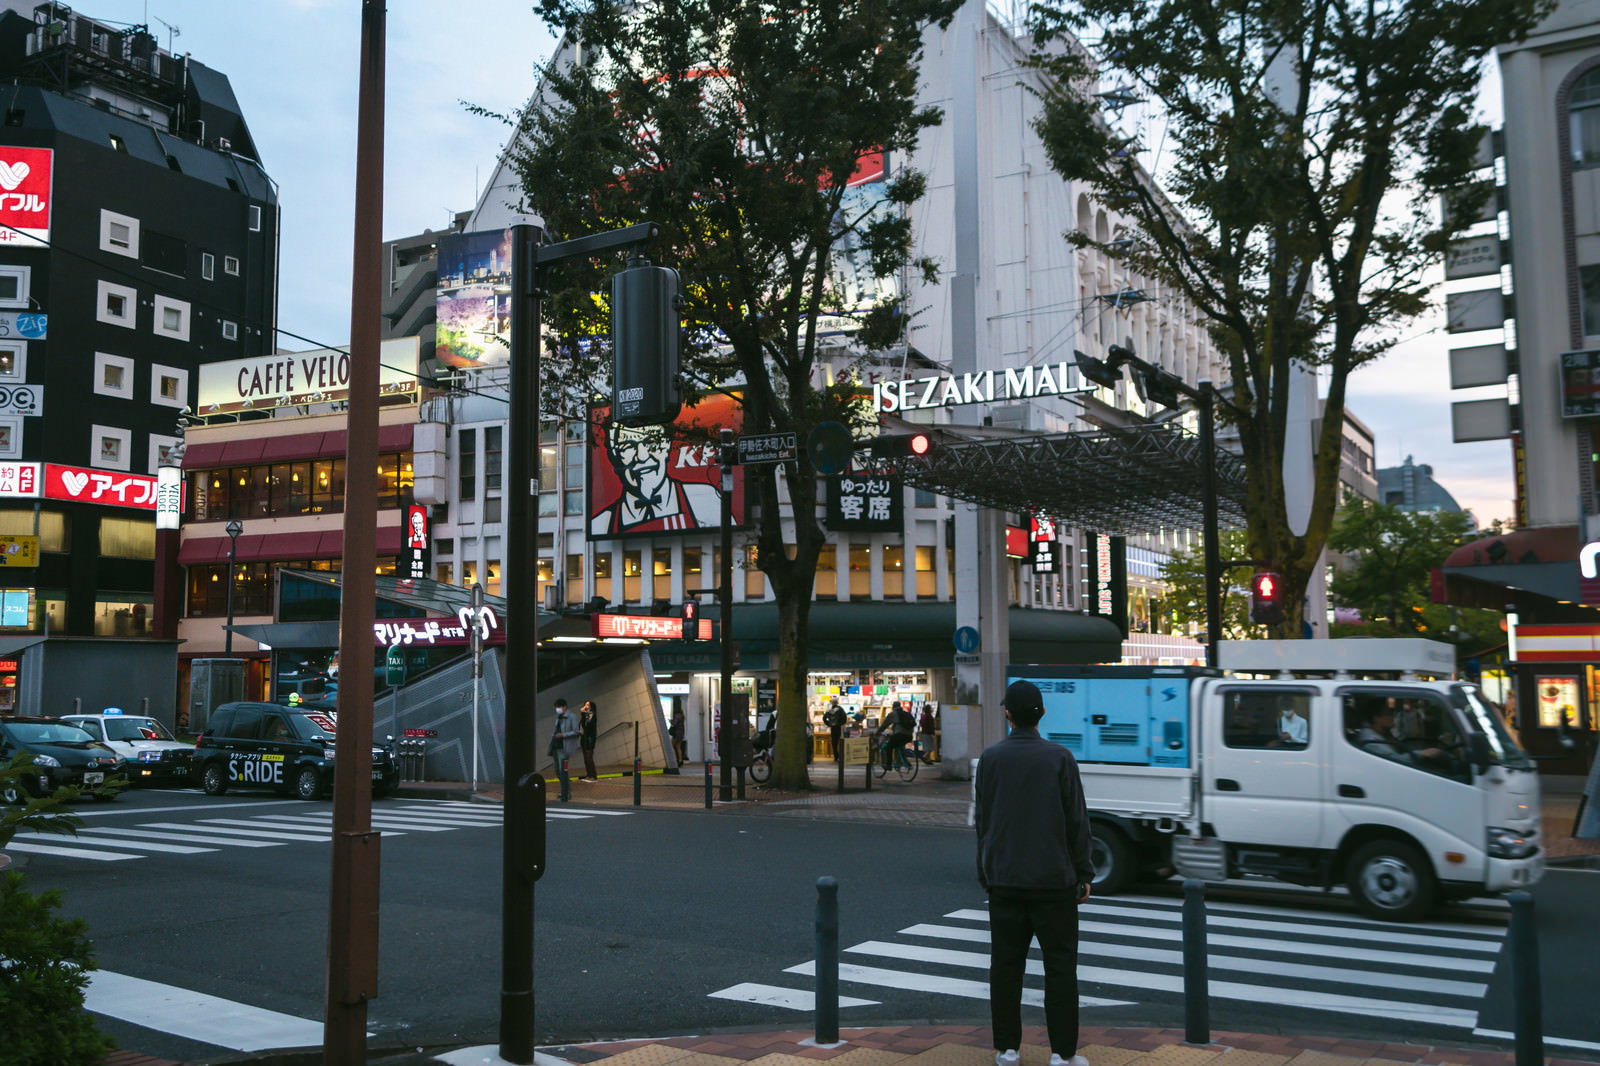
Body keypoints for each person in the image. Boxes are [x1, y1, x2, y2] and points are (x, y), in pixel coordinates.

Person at [976, 680, 1093, 1066]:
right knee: (1060, 968)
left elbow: (984, 822)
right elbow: (1076, 821)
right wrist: (1083, 872)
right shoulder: (1059, 758)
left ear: (1007, 714)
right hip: (1054, 882)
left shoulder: (990, 759)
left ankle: (1007, 1049)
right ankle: (1062, 1053)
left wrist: (986, 872)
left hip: (1005, 881)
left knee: (1006, 967)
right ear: (1041, 713)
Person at [590, 422, 720, 535]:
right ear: (615, 456)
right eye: (628, 446)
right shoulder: (600, 525)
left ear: (667, 445)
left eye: (652, 442)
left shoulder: (705, 499)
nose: (642, 456)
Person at [549, 698, 581, 801]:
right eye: (556, 707)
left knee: (563, 771)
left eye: (559, 707)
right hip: (556, 746)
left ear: (565, 707)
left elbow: (576, 731)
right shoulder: (559, 717)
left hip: (565, 747)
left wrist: (563, 735)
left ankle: (565, 793)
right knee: (558, 771)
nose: (557, 709)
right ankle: (566, 791)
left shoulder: (571, 717)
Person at [879, 700, 915, 771]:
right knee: (900, 746)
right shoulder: (907, 714)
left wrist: (878, 732)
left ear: (893, 707)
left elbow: (884, 725)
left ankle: (888, 765)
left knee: (888, 747)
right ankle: (899, 762)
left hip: (899, 735)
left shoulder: (893, 714)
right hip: (909, 736)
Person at [579, 699, 599, 781]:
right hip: (584, 738)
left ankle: (593, 776)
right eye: (585, 704)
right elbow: (582, 723)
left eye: (587, 705)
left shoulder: (592, 715)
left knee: (589, 758)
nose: (585, 706)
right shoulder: (585, 716)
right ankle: (588, 774)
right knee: (585, 759)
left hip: (590, 739)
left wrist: (584, 712)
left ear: (591, 707)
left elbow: (589, 724)